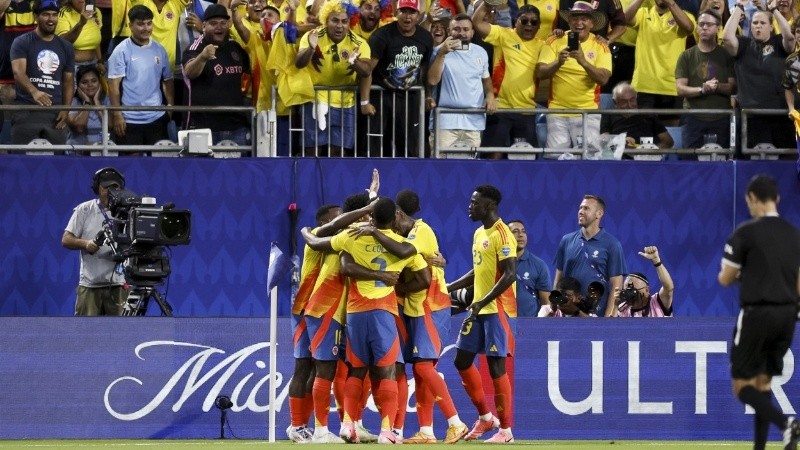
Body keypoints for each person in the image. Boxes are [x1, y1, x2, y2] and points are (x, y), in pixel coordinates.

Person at [330, 197, 430, 445]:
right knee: (387, 371)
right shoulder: (402, 244)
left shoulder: (352, 237)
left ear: (371, 217)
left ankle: (347, 425)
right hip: (383, 312)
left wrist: (308, 234)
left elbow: (326, 238)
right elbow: (424, 278)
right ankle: (387, 431)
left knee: (356, 370)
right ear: (395, 217)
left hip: (355, 312)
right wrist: (400, 289)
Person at [718, 174, 800, 450]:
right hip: (788, 316)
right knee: (763, 386)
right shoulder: (794, 234)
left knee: (742, 387)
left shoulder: (746, 232)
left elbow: (726, 278)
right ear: (777, 199)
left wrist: (745, 272)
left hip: (757, 314)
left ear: (752, 199)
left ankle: (786, 423)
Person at [447, 185, 517, 443]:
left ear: (488, 206)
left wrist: (482, 301)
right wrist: (449, 287)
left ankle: (506, 431)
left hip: (496, 309)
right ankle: (487, 418)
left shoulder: (503, 234)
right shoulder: (479, 233)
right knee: (461, 362)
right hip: (479, 308)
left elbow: (510, 275)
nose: (470, 206)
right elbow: (478, 271)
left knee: (496, 368)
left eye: (475, 203)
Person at [294, 1, 372, 156]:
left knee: (338, 151)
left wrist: (355, 62)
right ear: (325, 21)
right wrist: (310, 48)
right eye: (335, 20)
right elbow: (299, 63)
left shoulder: (359, 43)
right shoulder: (313, 36)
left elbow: (367, 71)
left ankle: (334, 180)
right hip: (315, 100)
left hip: (345, 103)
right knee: (312, 150)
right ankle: (312, 180)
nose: (339, 26)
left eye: (344, 21)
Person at [362, 0, 433, 157]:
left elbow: (424, 69)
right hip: (382, 97)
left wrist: (428, 95)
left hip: (409, 98)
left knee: (408, 144)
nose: (407, 17)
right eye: (403, 11)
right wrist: (365, 101)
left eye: (411, 12)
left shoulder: (426, 37)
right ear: (396, 13)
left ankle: (406, 179)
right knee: (377, 144)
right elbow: (367, 70)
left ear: (418, 15)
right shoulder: (381, 36)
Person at [537, 1, 611, 149]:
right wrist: (558, 62)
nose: (579, 23)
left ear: (592, 23)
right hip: (557, 111)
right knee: (556, 160)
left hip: (588, 113)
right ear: (569, 21)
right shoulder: (554, 40)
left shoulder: (601, 46)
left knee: (587, 160)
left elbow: (603, 79)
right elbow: (540, 73)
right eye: (575, 18)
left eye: (584, 19)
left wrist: (583, 61)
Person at [723, 0, 795, 152]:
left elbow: (789, 37)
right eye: (755, 23)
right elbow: (727, 37)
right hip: (750, 118)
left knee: (783, 165)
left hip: (780, 116)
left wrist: (774, 10)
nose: (758, 26)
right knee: (752, 165)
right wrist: (739, 6)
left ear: (771, 27)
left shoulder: (779, 44)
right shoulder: (743, 44)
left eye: (762, 23)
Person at [472, 3, 543, 156]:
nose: (529, 25)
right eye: (524, 21)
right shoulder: (503, 34)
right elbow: (476, 23)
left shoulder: (542, 45)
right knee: (493, 158)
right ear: (516, 21)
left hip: (526, 110)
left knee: (526, 160)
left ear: (539, 26)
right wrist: (487, 3)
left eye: (534, 22)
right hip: (500, 108)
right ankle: (488, 182)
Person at [61, 167, 129, 316]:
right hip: (90, 285)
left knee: (122, 332)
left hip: (119, 285)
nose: (110, 192)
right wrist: (85, 244)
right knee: (85, 334)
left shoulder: (129, 211)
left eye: (115, 187)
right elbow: (66, 239)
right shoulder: (84, 209)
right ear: (97, 189)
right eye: (106, 188)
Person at [182, 3, 252, 145]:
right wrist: (203, 57)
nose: (219, 27)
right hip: (202, 127)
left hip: (236, 126)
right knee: (201, 168)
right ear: (203, 26)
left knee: (237, 167)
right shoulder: (196, 47)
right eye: (213, 23)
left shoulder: (236, 48)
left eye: (223, 23)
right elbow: (189, 72)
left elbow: (249, 76)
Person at [107, 4, 174, 148]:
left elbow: (168, 80)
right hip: (129, 119)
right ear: (130, 25)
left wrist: (170, 106)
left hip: (156, 117)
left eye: (149, 23)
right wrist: (117, 115)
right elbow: (113, 86)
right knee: (131, 164)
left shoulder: (160, 49)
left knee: (158, 164)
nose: (146, 28)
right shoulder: (121, 51)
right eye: (141, 24)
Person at [10, 0, 75, 145]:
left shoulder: (66, 47)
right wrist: (35, 92)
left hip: (55, 113)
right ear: (35, 16)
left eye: (54, 15)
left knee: (58, 163)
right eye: (45, 14)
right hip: (26, 110)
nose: (51, 19)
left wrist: (66, 109)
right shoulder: (22, 42)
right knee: (20, 160)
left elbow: (68, 81)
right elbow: (18, 73)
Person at [427, 13, 495, 152]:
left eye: (465, 29)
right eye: (456, 29)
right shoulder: (437, 52)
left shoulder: (481, 52)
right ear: (449, 31)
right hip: (444, 123)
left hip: (474, 123)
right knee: (442, 169)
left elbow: (486, 80)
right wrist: (442, 54)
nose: (461, 33)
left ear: (472, 32)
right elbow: (432, 80)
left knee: (471, 170)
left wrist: (490, 95)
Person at [553, 194, 626, 317]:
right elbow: (558, 278)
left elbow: (616, 285)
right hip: (567, 314)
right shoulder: (566, 240)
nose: (581, 211)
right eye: (580, 208)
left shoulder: (612, 244)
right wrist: (555, 308)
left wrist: (608, 318)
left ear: (599, 214)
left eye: (586, 208)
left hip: (596, 316)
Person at [624, 0, 695, 125]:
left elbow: (689, 28)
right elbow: (623, 20)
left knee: (671, 136)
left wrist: (671, 3)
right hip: (644, 86)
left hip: (671, 86)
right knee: (645, 137)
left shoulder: (685, 15)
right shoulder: (643, 13)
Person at [675, 8, 736, 151]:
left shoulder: (726, 55)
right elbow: (680, 89)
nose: (704, 27)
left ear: (718, 28)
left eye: (709, 24)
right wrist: (702, 89)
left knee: (721, 161)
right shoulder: (686, 56)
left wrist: (717, 87)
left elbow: (733, 87)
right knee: (690, 162)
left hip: (721, 117)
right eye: (701, 24)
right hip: (692, 117)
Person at [600, 81, 674, 150]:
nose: (629, 105)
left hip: (647, 157)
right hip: (620, 156)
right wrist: (620, 142)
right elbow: (604, 140)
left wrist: (652, 152)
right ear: (615, 103)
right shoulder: (609, 114)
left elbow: (668, 141)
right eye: (624, 102)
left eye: (632, 100)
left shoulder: (648, 114)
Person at [614, 246, 674, 317]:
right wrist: (615, 305)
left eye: (633, 290)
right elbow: (612, 327)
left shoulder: (657, 302)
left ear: (647, 290)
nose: (630, 294)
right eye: (627, 290)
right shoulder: (622, 309)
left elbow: (669, 288)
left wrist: (656, 261)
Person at [507, 219, 551, 317]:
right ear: (506, 237)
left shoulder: (539, 265)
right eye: (515, 231)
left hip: (530, 325)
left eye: (523, 231)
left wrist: (538, 327)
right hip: (502, 324)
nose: (521, 235)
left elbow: (546, 305)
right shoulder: (497, 263)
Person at [55, 0, 104, 74]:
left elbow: (96, 39)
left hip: (93, 64)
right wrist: (81, 23)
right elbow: (63, 42)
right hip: (72, 66)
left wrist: (100, 61)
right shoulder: (63, 13)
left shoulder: (96, 11)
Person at [67, 63, 110, 145]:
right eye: (84, 82)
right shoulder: (73, 102)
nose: (90, 85)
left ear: (100, 83)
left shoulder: (106, 101)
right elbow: (79, 128)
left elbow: (110, 126)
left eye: (94, 81)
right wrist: (87, 102)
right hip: (78, 152)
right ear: (78, 86)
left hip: (103, 150)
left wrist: (97, 102)